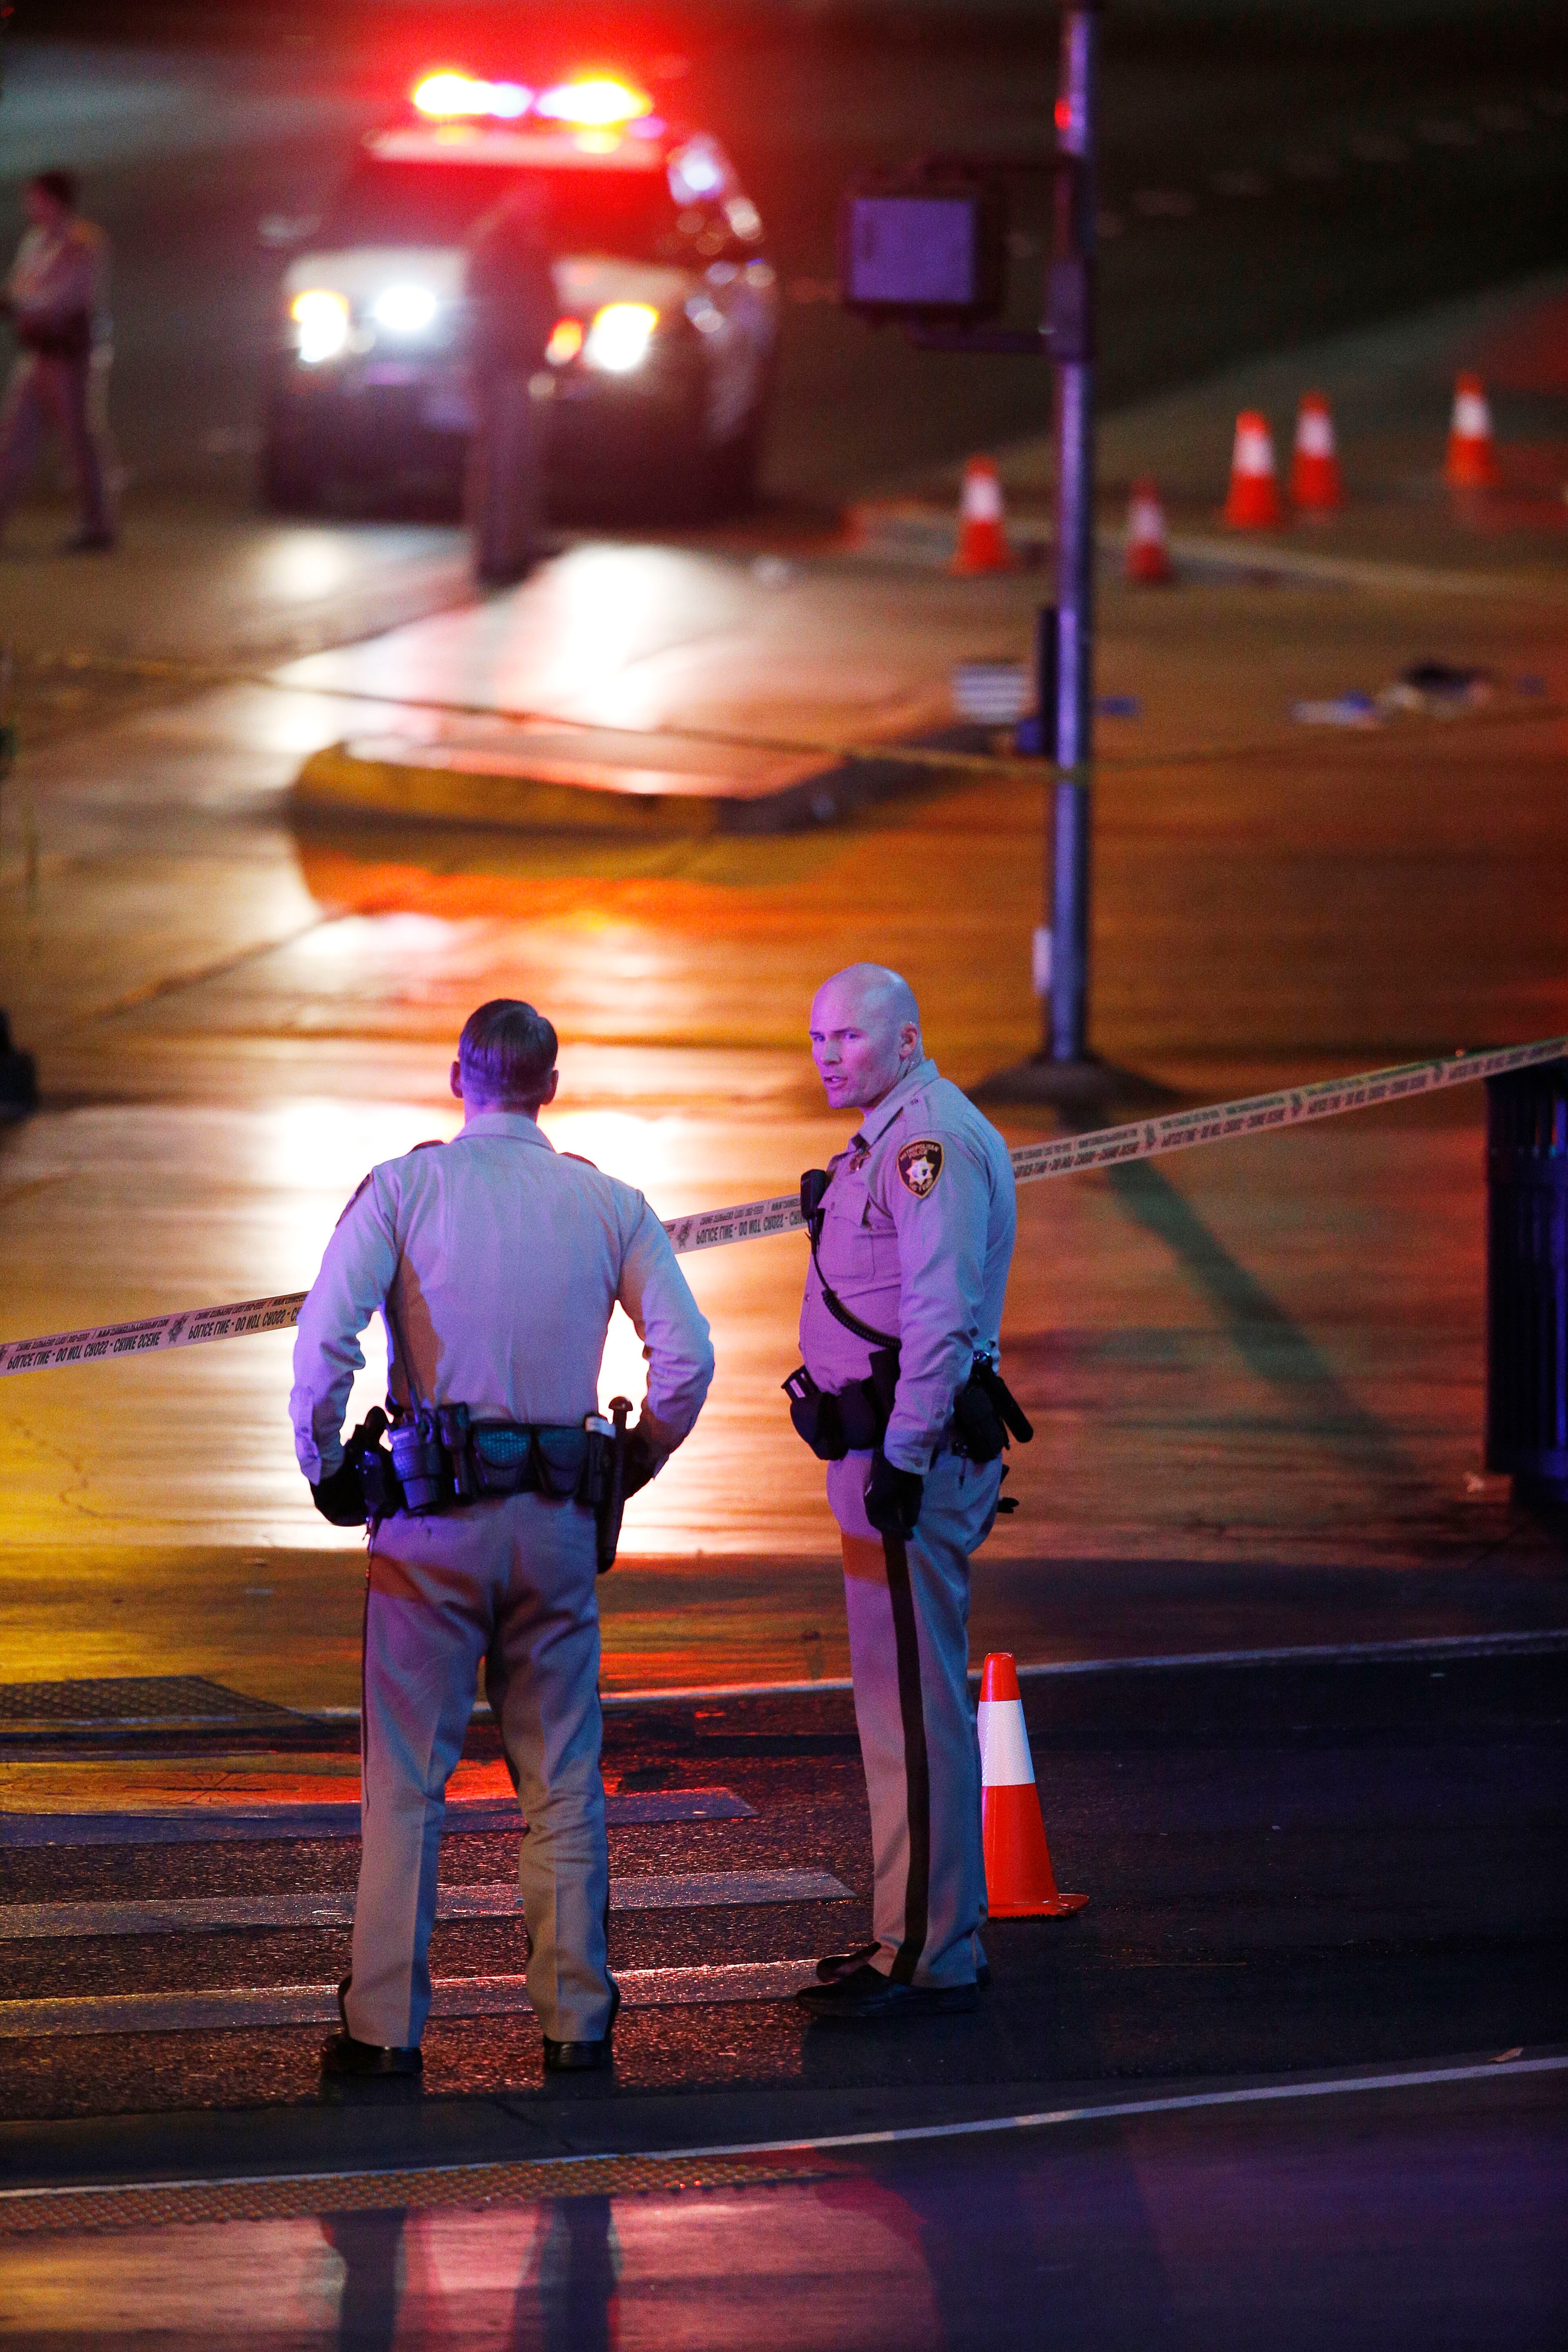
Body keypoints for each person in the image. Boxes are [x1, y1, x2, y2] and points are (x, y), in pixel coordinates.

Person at [290, 999, 714, 2079]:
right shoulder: (608, 1202)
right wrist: (638, 1458)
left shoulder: (404, 1188)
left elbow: (324, 1339)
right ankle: (577, 2021)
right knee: (564, 1775)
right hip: (560, 1530)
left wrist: (327, 1463)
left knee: (406, 1779)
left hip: (430, 1529)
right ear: (552, 1088)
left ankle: (385, 2030)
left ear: (457, 1078)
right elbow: (689, 1359)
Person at [786, 963, 1021, 2021]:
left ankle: (929, 1952)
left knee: (915, 1716)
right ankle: (914, 1931)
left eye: (848, 1037)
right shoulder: (896, 1135)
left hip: (903, 1468)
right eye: (819, 1039)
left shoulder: (927, 1146)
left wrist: (905, 1458)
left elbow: (938, 1314)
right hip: (884, 1458)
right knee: (898, 1712)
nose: (829, 1055)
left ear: (909, 1041)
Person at [0, 170, 115, 552]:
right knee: (13, 441)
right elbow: (21, 287)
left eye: (36, 198)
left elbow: (61, 298)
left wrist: (17, 303)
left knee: (79, 443)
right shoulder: (37, 242)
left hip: (68, 358)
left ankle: (97, 525)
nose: (30, 206)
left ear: (54, 201)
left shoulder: (82, 244)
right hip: (36, 354)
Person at [465, 181, 558, 584]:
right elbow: (503, 308)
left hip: (517, 363)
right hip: (505, 365)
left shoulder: (518, 240)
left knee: (517, 461)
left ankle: (514, 547)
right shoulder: (501, 243)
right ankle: (500, 554)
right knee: (505, 462)